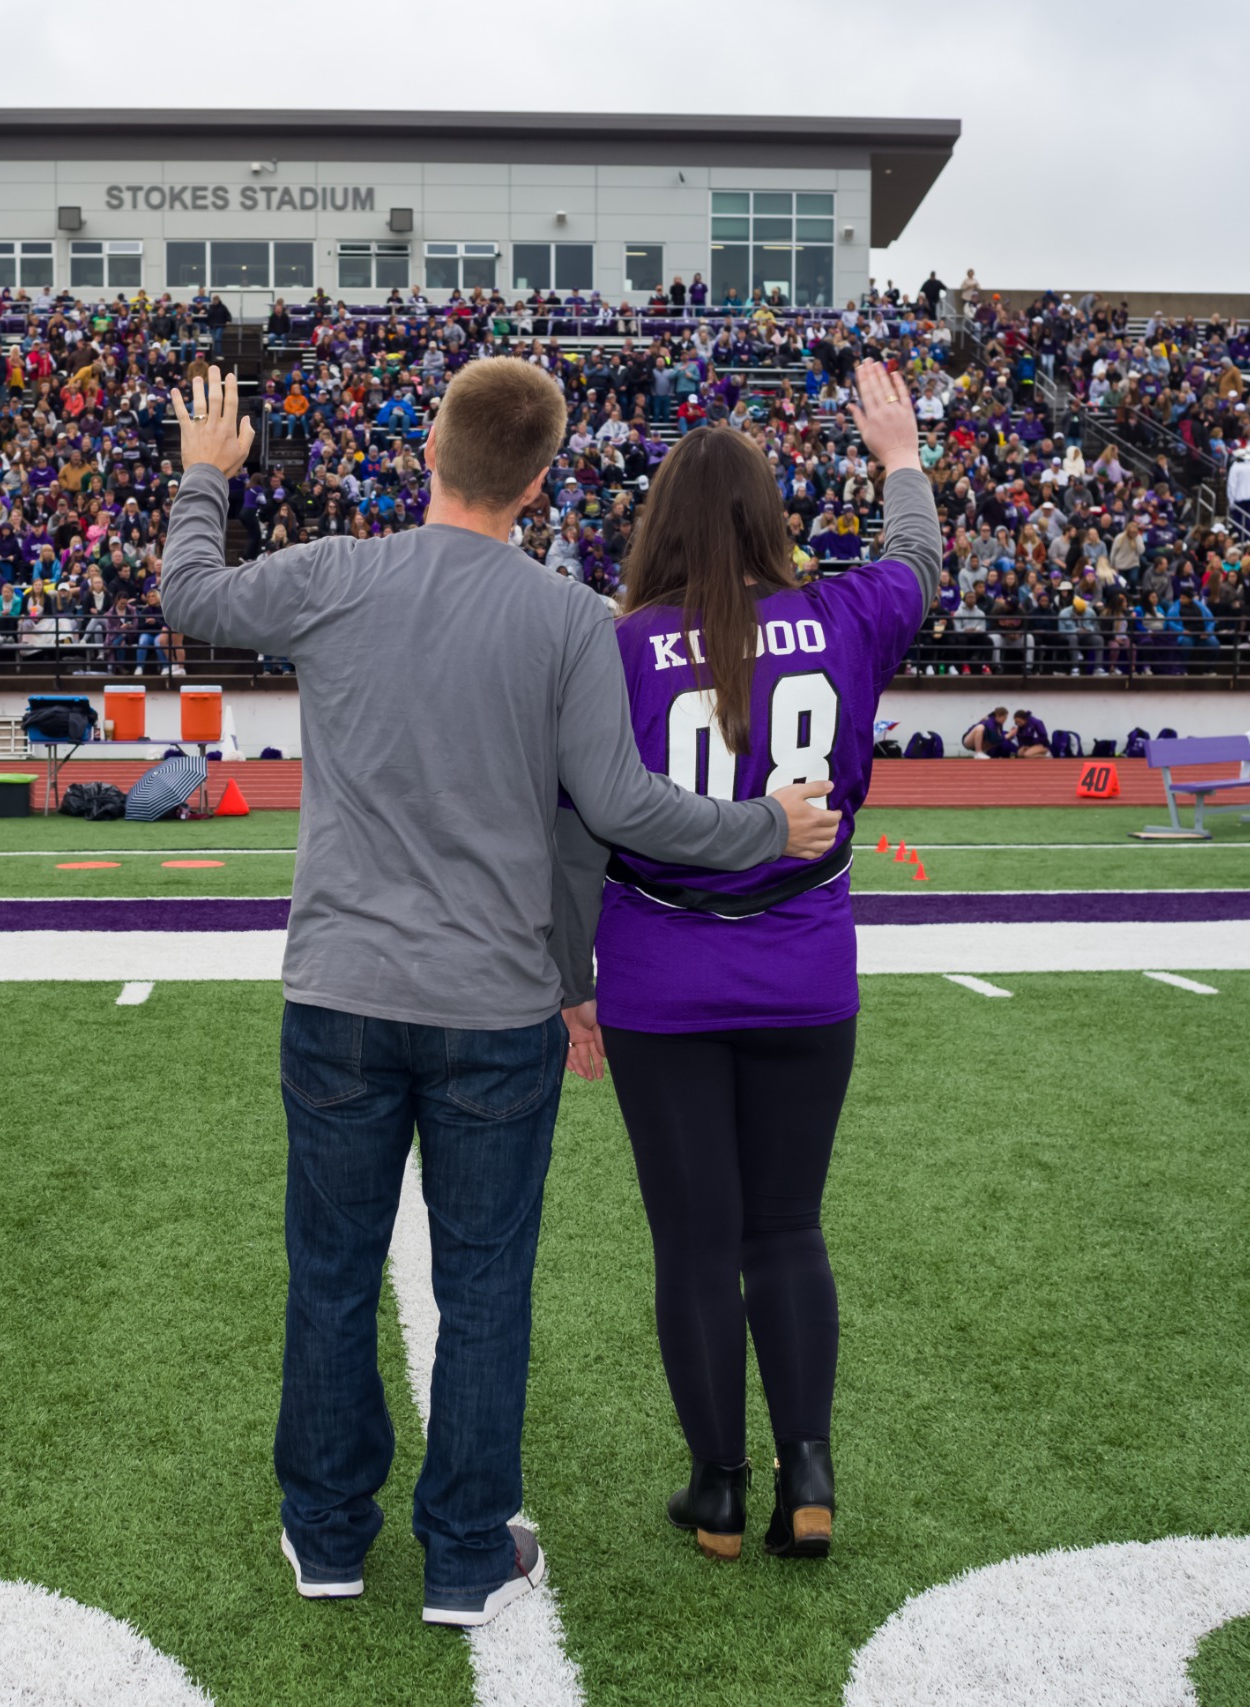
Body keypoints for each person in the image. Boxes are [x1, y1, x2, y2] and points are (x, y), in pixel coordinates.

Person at [162, 360, 837, 1629]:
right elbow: (622, 812)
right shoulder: (570, 618)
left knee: (329, 1269)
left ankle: (326, 1534)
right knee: (482, 1284)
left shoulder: (335, 573)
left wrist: (210, 471)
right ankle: (467, 1554)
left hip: (343, 991)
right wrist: (764, 825)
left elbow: (190, 588)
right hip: (493, 1005)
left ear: (429, 449)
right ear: (537, 483)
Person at [556, 362, 935, 1562]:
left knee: (694, 1245)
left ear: (655, 521)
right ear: (771, 518)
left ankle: (718, 1485)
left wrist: (571, 980)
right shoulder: (839, 614)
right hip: (805, 964)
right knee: (787, 1230)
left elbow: (576, 829)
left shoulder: (614, 648)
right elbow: (918, 566)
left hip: (663, 966)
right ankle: (807, 1473)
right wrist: (899, 460)